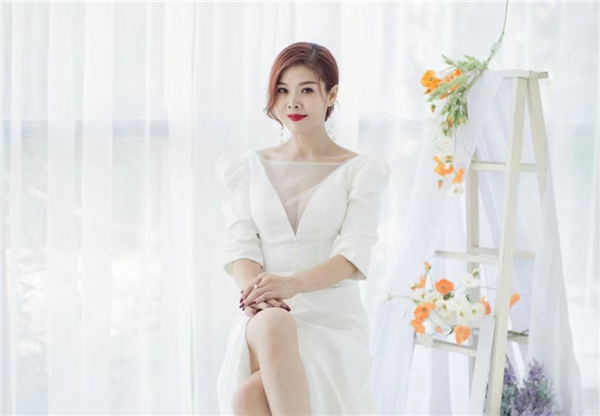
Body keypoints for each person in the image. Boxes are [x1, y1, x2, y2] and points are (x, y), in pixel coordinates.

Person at [214, 42, 391, 416]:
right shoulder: (248, 168)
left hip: (331, 320)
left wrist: (291, 284)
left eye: (306, 90)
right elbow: (241, 246)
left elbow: (352, 257)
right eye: (282, 90)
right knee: (274, 322)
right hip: (264, 313)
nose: (292, 102)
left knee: (248, 399)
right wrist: (261, 295)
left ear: (331, 95)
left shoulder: (360, 171)